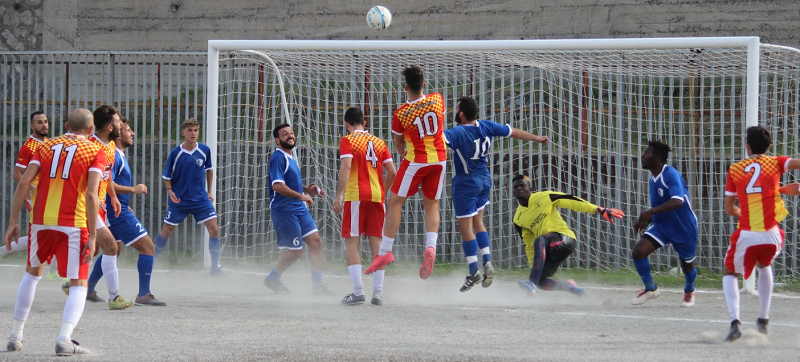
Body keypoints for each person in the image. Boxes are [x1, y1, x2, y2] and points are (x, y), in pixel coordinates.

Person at [5, 108, 104, 356]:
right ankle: (64, 338)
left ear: (67, 126)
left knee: (31, 275)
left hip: (40, 220)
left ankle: (15, 335)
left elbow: (24, 181)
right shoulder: (94, 150)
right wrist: (93, 235)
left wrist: (13, 221)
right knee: (79, 282)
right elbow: (92, 194)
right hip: (74, 222)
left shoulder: (46, 147)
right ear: (91, 130)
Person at [443, 97, 548, 292]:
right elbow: (513, 132)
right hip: (484, 179)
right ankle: (487, 261)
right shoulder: (486, 126)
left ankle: (474, 271)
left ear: (461, 114)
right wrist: (536, 138)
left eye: (456, 109)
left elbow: (436, 140)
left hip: (466, 183)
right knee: (478, 222)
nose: (454, 111)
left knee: (465, 227)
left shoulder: (458, 132)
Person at [365, 65, 448, 279]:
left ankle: (384, 252)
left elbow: (399, 142)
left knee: (394, 202)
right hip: (439, 159)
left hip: (416, 160)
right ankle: (431, 247)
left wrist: (403, 154)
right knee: (432, 204)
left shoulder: (401, 113)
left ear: (405, 88)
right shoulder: (438, 99)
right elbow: (440, 125)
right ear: (424, 84)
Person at [721, 125, 800, 342]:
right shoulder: (776, 162)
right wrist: (785, 190)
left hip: (747, 233)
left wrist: (743, 212)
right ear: (769, 146)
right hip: (772, 236)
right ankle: (763, 319)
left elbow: (729, 209)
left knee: (729, 272)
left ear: (747, 147)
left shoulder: (735, 169)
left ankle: (735, 323)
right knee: (765, 266)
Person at [85, 118, 166, 306]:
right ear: (118, 134)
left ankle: (87, 288)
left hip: (115, 207)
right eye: (128, 130)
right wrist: (132, 190)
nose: (132, 134)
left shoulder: (117, 154)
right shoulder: (112, 154)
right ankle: (144, 294)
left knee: (113, 250)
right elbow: (104, 181)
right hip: (115, 212)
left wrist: (121, 200)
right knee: (148, 248)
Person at [62, 105, 132, 310]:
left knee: (98, 247)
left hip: (98, 204)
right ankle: (114, 297)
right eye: (119, 121)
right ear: (109, 127)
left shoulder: (109, 146)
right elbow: (78, 179)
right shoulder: (91, 147)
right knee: (111, 246)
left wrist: (112, 196)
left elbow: (106, 174)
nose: (122, 124)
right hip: (86, 205)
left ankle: (73, 282)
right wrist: (92, 197)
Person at [512, 174, 623, 296]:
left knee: (540, 241)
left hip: (565, 239)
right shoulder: (518, 218)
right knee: (540, 280)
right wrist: (535, 268)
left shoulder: (544, 197)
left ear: (530, 188)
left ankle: (531, 285)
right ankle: (570, 287)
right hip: (548, 248)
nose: (519, 189)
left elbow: (571, 201)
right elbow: (528, 244)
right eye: (516, 187)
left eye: (522, 185)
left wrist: (599, 209)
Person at [333, 107, 397, 306]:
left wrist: (339, 195)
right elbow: (393, 172)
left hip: (356, 195)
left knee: (352, 241)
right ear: (364, 122)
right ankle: (377, 294)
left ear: (347, 124)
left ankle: (358, 291)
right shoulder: (379, 142)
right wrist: (381, 191)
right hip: (377, 197)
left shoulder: (348, 140)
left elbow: (346, 165)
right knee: (377, 243)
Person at [263, 123, 334, 295]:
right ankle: (272, 279)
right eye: (284, 134)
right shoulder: (278, 157)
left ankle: (317, 287)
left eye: (291, 133)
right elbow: (278, 186)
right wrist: (302, 196)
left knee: (316, 242)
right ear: (277, 140)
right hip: (284, 209)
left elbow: (289, 184)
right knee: (296, 251)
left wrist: (307, 190)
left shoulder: (290, 157)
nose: (289, 135)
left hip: (297, 207)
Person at [631, 141, 699, 307]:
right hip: (663, 226)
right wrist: (646, 220)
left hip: (683, 226)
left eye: (646, 153)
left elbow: (677, 201)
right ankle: (651, 289)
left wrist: (649, 212)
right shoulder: (653, 180)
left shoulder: (671, 174)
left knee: (687, 266)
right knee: (639, 252)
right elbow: (660, 208)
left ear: (657, 157)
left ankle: (690, 289)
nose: (642, 156)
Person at [153, 118, 222, 275]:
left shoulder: (205, 150)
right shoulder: (176, 153)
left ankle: (214, 267)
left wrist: (209, 191)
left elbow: (209, 170)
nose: (193, 133)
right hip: (180, 200)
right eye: (190, 130)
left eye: (196, 130)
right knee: (167, 229)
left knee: (214, 229)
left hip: (200, 199)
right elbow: (166, 176)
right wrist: (170, 191)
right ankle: (153, 260)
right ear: (183, 133)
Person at [2, 111, 63, 281]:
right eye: (39, 122)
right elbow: (17, 174)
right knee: (49, 229)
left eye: (45, 121)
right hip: (34, 196)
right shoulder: (28, 147)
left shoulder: (51, 144)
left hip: (50, 195)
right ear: (32, 126)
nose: (44, 125)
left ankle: (4, 250)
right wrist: (33, 187)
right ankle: (53, 271)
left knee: (45, 231)